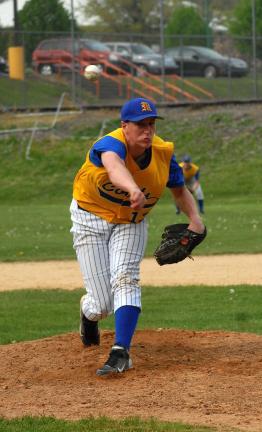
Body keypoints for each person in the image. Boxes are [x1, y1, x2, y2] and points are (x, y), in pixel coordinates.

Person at [70, 97, 205, 376]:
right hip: (89, 217)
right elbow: (114, 167)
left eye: (151, 124)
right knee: (102, 303)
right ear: (124, 126)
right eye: (140, 125)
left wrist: (196, 220)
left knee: (126, 276)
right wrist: (132, 189)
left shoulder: (162, 154)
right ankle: (88, 314)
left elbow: (179, 190)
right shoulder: (109, 144)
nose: (147, 131)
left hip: (131, 222)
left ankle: (121, 352)